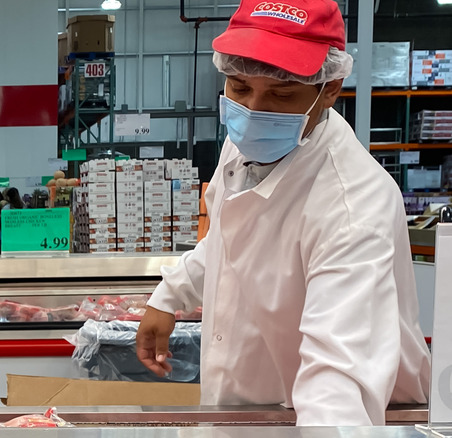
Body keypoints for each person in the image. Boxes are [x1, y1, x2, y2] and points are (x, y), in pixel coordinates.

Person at [136, 0, 430, 427]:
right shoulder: (245, 145)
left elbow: (338, 378)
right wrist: (171, 294)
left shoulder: (353, 207)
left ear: (329, 88)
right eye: (238, 88)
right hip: (245, 408)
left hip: (303, 416)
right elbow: (231, 238)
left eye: (281, 94)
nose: (253, 111)